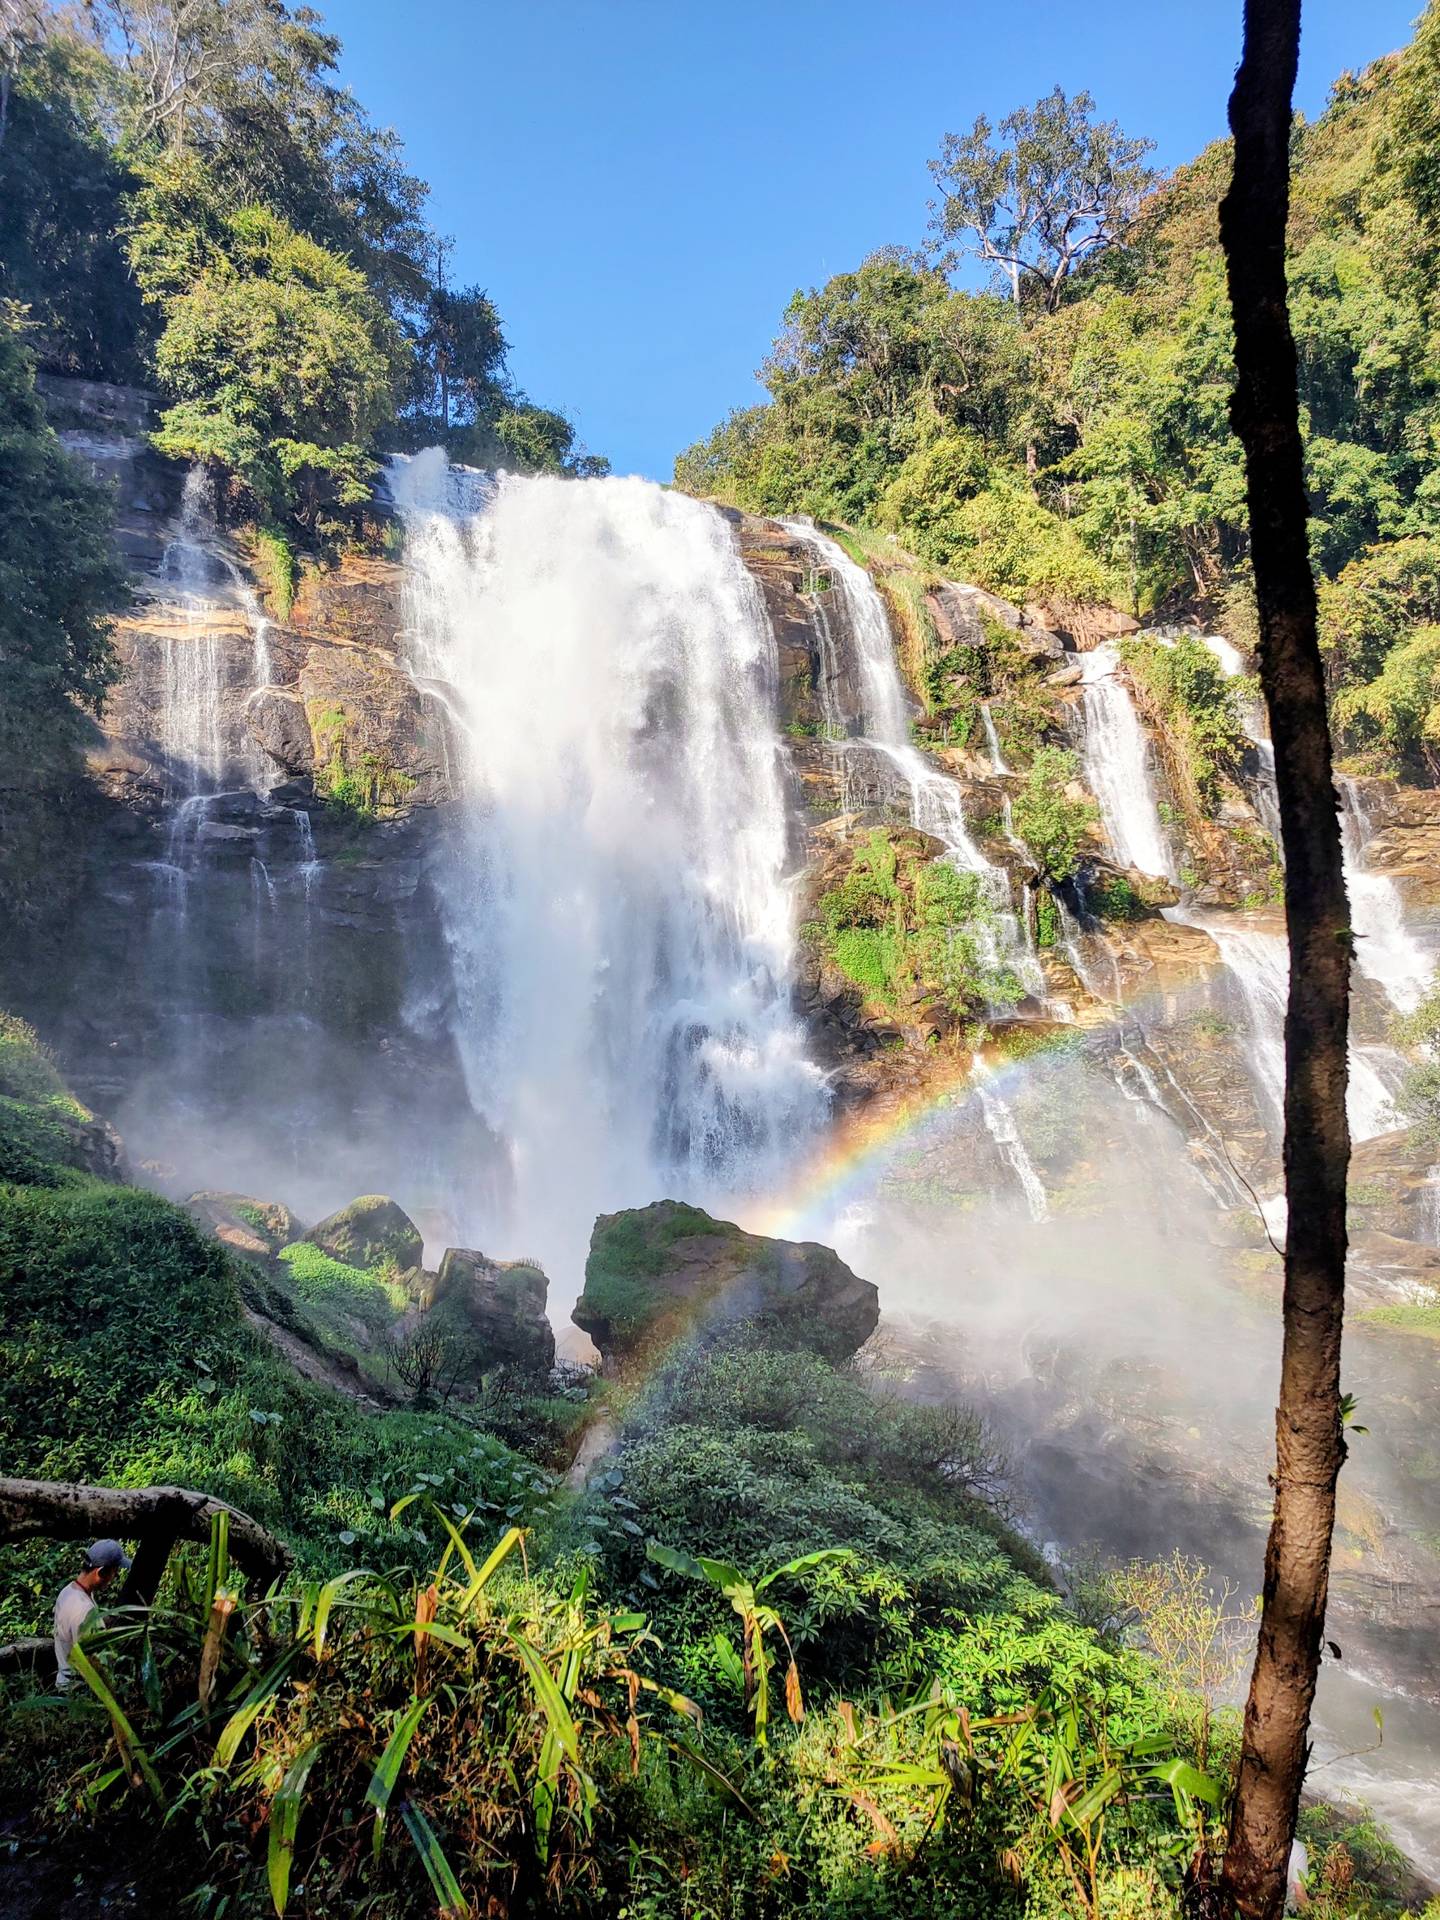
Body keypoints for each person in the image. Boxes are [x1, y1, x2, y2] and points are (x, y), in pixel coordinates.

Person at [53, 1538, 131, 1690]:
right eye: (114, 1572)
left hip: (63, 1683)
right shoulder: (85, 1611)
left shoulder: (68, 1592)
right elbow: (96, 1663)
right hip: (79, 1690)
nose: (114, 1578)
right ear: (101, 1572)